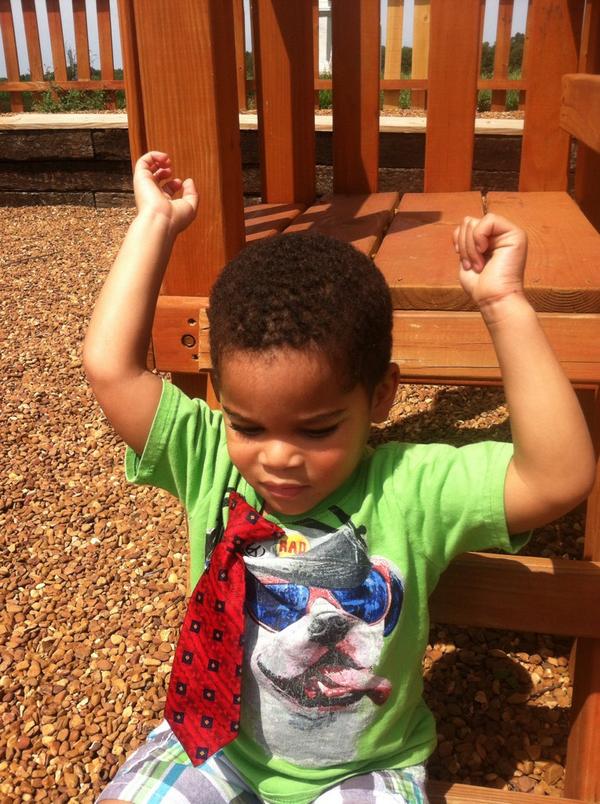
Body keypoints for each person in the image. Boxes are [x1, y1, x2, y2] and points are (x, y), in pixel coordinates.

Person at [84, 151, 595, 804]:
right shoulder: (207, 455)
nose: (277, 457)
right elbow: (110, 367)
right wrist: (155, 222)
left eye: (317, 430)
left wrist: (503, 303)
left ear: (381, 395)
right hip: (211, 749)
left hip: (361, 772)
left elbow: (559, 476)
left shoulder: (409, 489)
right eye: (248, 425)